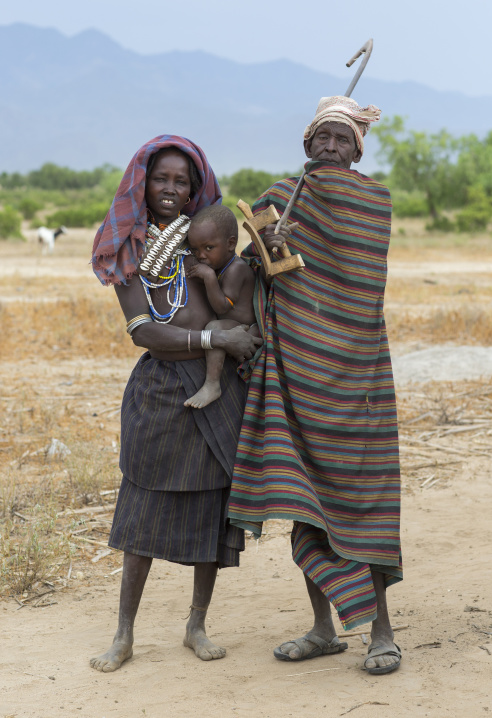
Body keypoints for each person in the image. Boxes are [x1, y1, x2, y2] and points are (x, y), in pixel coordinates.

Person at [228, 96, 403, 675]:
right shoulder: (279, 197)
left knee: (363, 503)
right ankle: (322, 629)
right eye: (321, 138)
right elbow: (251, 267)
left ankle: (380, 632)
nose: (331, 146)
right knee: (305, 502)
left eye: (342, 138)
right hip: (295, 374)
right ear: (306, 146)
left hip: (358, 376)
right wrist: (267, 243)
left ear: (358, 149)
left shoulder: (374, 201)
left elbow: (361, 278)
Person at [89, 135, 261, 672]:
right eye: (161, 178)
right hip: (161, 390)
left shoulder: (207, 240)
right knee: (141, 513)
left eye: (181, 181)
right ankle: (124, 635)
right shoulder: (127, 245)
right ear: (143, 181)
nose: (170, 188)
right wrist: (216, 340)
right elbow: (144, 333)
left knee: (212, 507)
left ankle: (196, 624)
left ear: (193, 189)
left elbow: (244, 279)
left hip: (217, 392)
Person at [184, 205, 256, 409]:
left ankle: (212, 385)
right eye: (195, 250)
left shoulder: (236, 269)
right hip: (234, 323)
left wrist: (208, 277)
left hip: (245, 328)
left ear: (231, 243)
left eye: (208, 248)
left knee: (214, 328)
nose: (201, 256)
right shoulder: (221, 266)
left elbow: (223, 306)